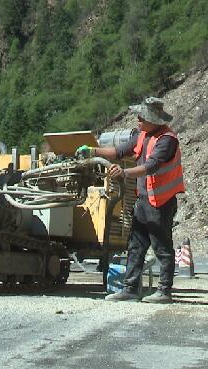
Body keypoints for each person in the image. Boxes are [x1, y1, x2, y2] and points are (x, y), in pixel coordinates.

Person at [75, 97, 185, 303]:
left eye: (142, 117)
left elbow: (151, 166)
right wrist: (92, 151)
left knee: (161, 246)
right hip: (144, 200)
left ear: (153, 120)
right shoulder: (142, 135)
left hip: (161, 201)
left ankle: (164, 291)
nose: (138, 120)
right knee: (136, 245)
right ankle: (130, 289)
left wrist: (124, 173)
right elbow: (118, 152)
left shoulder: (167, 140)